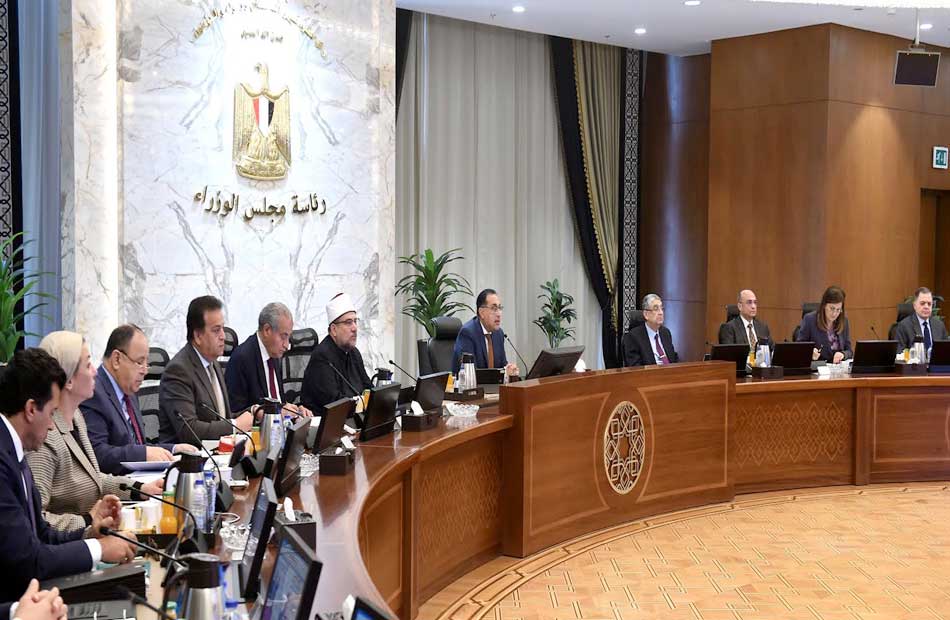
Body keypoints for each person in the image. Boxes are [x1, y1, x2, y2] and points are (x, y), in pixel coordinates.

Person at [0, 348, 138, 603]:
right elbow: (29, 561)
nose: (52, 424)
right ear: (31, 409)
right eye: (51, 412)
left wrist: (90, 534)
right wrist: (99, 549)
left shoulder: (14, 447)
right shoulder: (3, 459)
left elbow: (43, 535)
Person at [27, 331, 164, 531]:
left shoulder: (76, 418)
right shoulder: (44, 438)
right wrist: (88, 520)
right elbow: (37, 520)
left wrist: (139, 489)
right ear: (68, 380)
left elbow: (93, 477)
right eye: (88, 365)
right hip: (73, 544)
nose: (95, 372)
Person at [80, 324, 193, 475]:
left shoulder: (128, 392)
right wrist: (143, 454)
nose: (145, 371)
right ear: (116, 359)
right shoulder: (93, 393)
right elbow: (97, 454)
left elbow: (139, 445)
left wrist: (174, 449)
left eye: (147, 363)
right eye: (140, 362)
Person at [158, 296, 254, 444]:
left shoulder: (212, 363)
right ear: (198, 336)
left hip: (218, 452)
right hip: (186, 456)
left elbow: (222, 417)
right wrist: (235, 426)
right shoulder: (178, 371)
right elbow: (189, 430)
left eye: (223, 328)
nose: (223, 336)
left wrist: (254, 411)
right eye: (216, 330)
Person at [225, 302, 311, 417]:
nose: (287, 345)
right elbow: (235, 412)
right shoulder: (242, 358)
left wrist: (296, 411)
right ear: (267, 330)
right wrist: (277, 412)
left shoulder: (274, 354)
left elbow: (278, 401)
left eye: (288, 338)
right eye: (283, 337)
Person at [301, 293, 373, 415]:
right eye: (348, 322)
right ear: (334, 329)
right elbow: (335, 403)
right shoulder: (322, 357)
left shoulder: (354, 353)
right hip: (325, 422)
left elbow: (368, 388)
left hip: (353, 419)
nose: (355, 328)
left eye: (355, 321)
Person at [451, 289, 519, 376]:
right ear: (482, 312)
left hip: (492, 384)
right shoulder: (468, 333)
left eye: (500, 308)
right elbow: (471, 374)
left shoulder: (499, 334)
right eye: (494, 308)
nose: (499, 314)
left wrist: (508, 370)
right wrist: (503, 374)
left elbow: (502, 366)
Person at [796, 285, 852, 363]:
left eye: (838, 310)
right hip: (818, 367)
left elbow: (849, 351)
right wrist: (810, 352)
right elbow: (799, 347)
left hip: (838, 368)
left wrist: (843, 354)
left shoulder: (844, 321)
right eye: (832, 308)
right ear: (824, 305)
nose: (834, 313)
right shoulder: (810, 320)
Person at [623, 293, 679, 366]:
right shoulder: (633, 337)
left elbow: (673, 359)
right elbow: (635, 367)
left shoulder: (665, 333)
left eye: (661, 308)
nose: (661, 313)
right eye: (656, 309)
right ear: (646, 314)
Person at [895, 287, 948, 354]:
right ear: (914, 305)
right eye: (922, 303)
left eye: (929, 304)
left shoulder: (939, 325)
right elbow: (899, 353)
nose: (926, 307)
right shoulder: (904, 326)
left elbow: (946, 349)